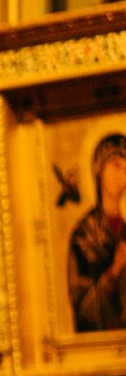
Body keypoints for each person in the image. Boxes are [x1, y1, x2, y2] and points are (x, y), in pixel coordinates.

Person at [69, 133, 126, 334]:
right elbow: (83, 308)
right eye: (116, 166)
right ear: (98, 169)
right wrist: (114, 271)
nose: (122, 176)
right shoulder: (85, 236)